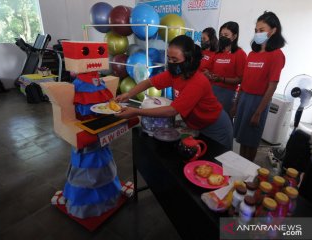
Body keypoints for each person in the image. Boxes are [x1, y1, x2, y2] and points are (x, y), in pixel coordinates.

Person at [115, 35, 233, 150]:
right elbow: (149, 82)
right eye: (169, 58)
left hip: (216, 127)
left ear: (189, 59)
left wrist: (136, 111)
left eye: (175, 60)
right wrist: (128, 94)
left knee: (216, 164)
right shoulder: (175, 74)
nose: (171, 63)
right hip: (196, 125)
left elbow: (172, 110)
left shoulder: (198, 81)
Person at [232, 11, 286, 161]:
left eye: (261, 30)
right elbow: (245, 81)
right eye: (256, 30)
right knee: (243, 138)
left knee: (252, 140)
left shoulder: (276, 55)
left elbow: (272, 86)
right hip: (243, 98)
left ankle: (248, 169)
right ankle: (242, 167)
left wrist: (258, 112)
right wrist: (237, 103)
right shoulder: (252, 54)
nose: (257, 33)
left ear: (273, 30)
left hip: (258, 102)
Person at [205, 22, 247, 115]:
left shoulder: (240, 54)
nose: (222, 37)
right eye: (221, 35)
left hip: (227, 94)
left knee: (224, 120)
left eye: (226, 35)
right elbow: (212, 71)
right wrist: (208, 74)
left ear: (234, 36)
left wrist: (222, 79)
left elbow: (240, 79)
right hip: (212, 90)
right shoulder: (218, 53)